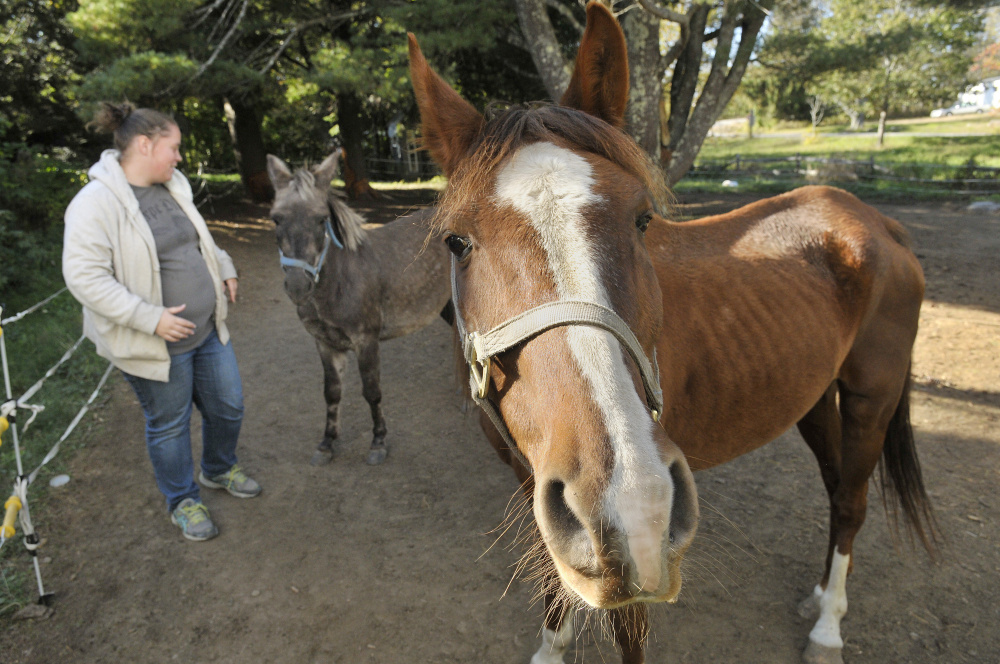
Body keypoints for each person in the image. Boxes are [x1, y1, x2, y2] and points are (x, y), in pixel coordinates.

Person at [62, 102, 260, 541]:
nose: (179, 157)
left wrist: (224, 265)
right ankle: (183, 501)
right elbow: (84, 277)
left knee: (228, 406)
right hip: (154, 345)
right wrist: (149, 319)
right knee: (169, 425)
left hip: (208, 330)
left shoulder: (174, 185)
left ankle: (218, 468)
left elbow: (196, 242)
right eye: (174, 147)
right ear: (145, 144)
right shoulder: (94, 204)